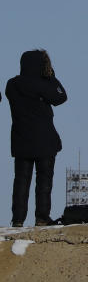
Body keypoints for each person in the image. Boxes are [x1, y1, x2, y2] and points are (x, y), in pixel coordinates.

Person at [4, 50, 67, 227]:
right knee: (44, 181)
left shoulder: (12, 84)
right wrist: (52, 77)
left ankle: (17, 219)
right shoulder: (42, 83)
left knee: (21, 181)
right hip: (44, 139)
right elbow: (61, 97)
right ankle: (42, 217)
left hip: (21, 139)